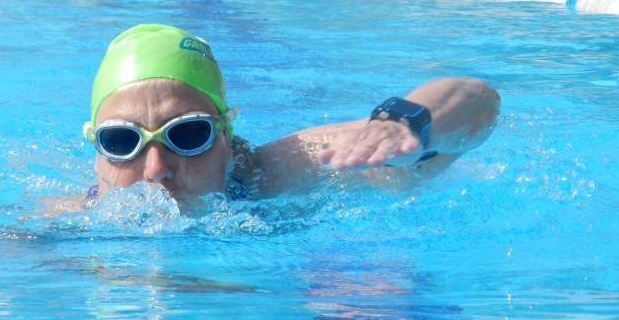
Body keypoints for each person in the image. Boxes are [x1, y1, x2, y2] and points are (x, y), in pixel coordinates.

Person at [61, 24, 499, 213]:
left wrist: (402, 124)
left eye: (188, 133)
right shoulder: (70, 220)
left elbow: (479, 100)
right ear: (97, 153)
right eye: (122, 141)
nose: (156, 170)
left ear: (227, 139)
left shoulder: (288, 170)